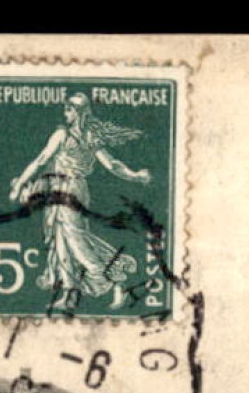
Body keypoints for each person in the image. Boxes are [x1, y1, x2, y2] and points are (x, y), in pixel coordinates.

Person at [8, 93, 152, 312]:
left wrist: (19, 185)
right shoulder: (90, 136)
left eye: (69, 109)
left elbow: (41, 161)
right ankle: (70, 293)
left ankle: (111, 279)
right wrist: (135, 176)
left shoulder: (64, 134)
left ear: (79, 112)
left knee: (76, 242)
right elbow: (112, 165)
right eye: (66, 109)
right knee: (62, 240)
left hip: (69, 190)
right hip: (70, 190)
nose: (66, 113)